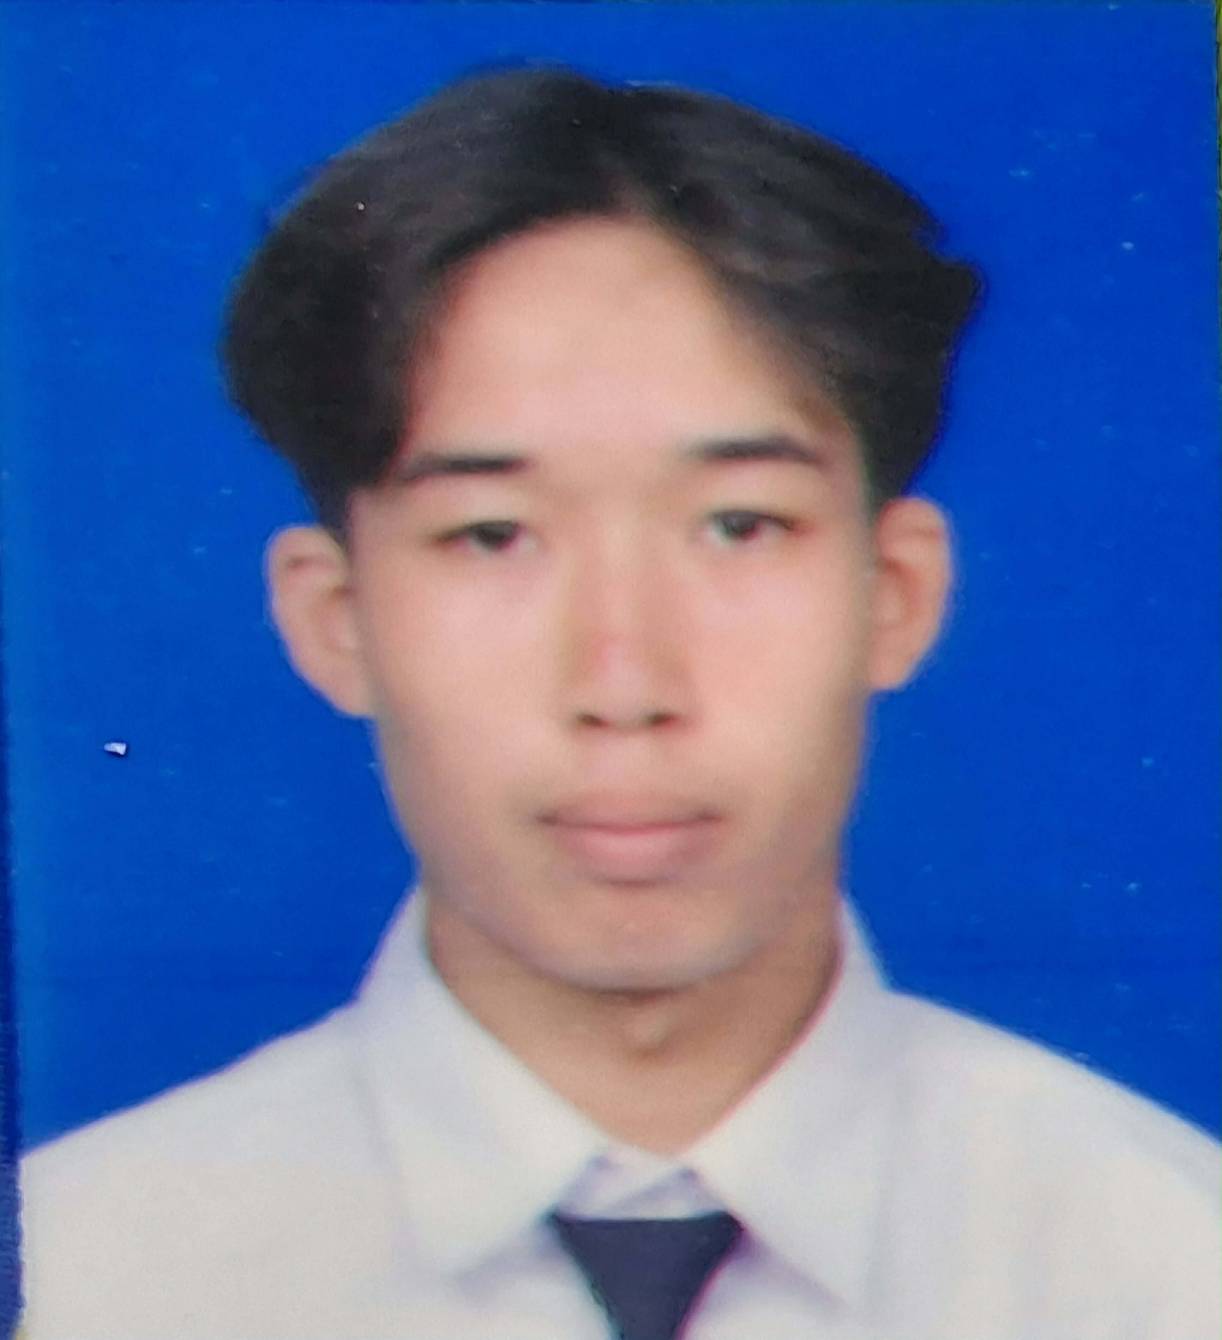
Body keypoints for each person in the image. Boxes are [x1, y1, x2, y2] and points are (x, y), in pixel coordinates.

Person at [17, 67, 1219, 1340]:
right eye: (492, 534)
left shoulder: (1169, 1266)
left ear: (897, 593)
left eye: (739, 525)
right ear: (335, 618)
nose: (624, 683)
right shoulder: (80, 1280)